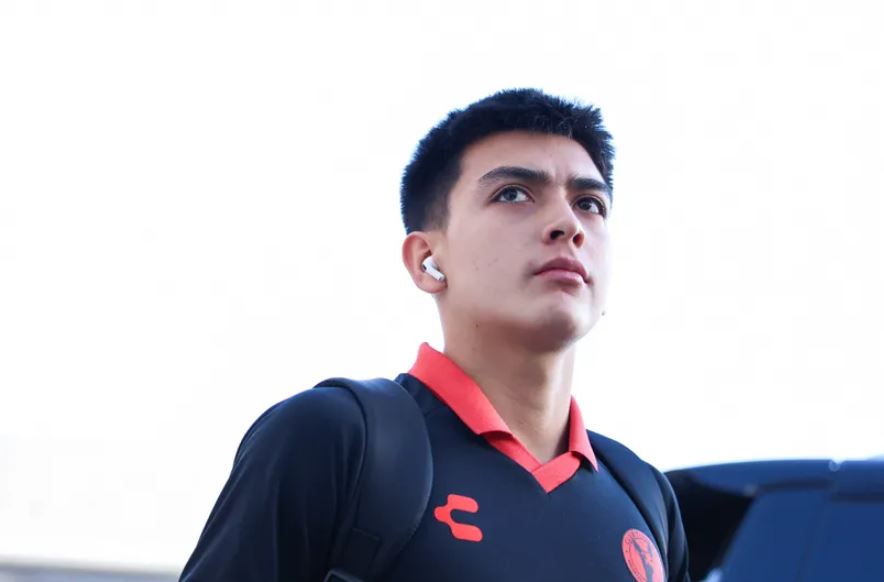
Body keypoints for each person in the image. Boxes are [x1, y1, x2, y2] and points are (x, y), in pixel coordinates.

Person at [180, 88, 690, 581]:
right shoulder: (335, 439)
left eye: (590, 203)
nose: (567, 223)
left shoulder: (646, 499)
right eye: (513, 194)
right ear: (427, 260)